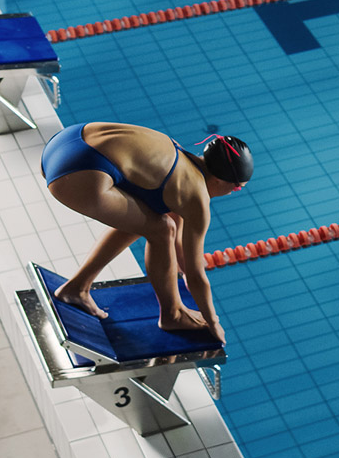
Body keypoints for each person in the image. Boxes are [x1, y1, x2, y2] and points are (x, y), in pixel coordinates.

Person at [40, 122, 254, 344]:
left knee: (146, 218)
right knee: (161, 230)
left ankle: (76, 288)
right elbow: (195, 276)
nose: (232, 193)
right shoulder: (197, 198)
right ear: (221, 180)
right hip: (77, 174)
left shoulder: (182, 160)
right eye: (237, 188)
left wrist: (185, 268)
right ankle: (172, 315)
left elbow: (182, 252)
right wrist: (213, 322)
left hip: (64, 143)